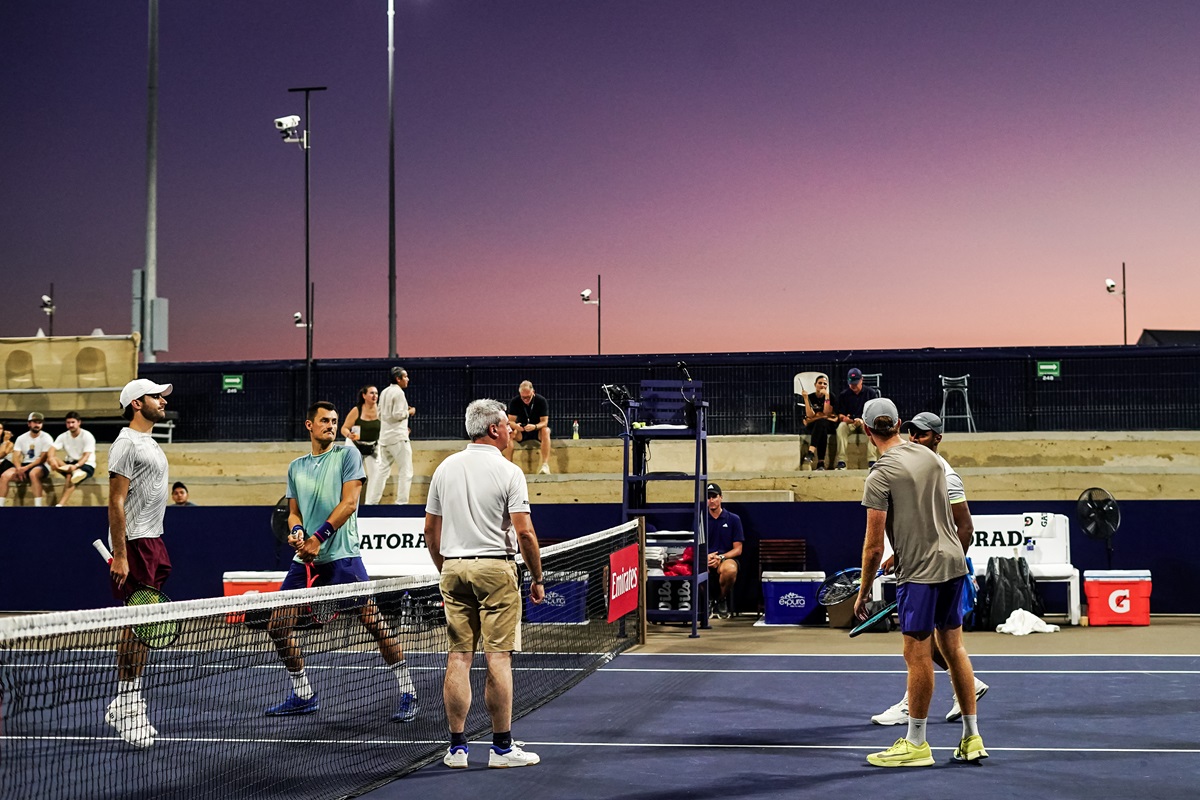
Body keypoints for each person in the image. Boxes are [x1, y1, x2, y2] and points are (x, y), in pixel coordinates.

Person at [264, 400, 418, 723]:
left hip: (343, 557)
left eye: (334, 421)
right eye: (324, 421)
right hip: (305, 560)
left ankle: (408, 691)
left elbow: (349, 504)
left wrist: (317, 538)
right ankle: (303, 693)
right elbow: (293, 512)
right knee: (277, 626)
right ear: (310, 425)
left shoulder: (348, 456)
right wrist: (297, 532)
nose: (331, 426)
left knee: (374, 624)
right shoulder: (296, 467)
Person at [855, 398, 987, 767]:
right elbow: (937, 516)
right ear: (899, 424)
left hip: (920, 573)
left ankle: (916, 743)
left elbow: (873, 546)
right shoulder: (932, 459)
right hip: (953, 563)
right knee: (954, 649)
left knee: (916, 655)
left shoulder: (879, 475)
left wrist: (863, 592)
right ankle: (972, 737)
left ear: (866, 430)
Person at [425, 399, 545, 769]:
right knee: (498, 657)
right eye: (507, 425)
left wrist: (446, 568)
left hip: (454, 569)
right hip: (495, 570)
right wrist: (538, 577)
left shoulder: (444, 468)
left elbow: (430, 530)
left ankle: (457, 749)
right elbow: (525, 533)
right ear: (493, 429)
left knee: (459, 657)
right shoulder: (509, 472)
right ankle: (502, 749)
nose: (512, 430)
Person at [104, 379, 175, 748]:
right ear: (136, 403)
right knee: (137, 624)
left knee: (144, 624)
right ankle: (128, 704)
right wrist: (121, 554)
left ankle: (126, 702)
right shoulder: (126, 443)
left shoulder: (150, 441)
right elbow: (115, 501)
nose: (162, 401)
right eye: (155, 396)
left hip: (153, 540)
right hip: (134, 543)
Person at [370, 367, 415, 505]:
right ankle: (401, 503)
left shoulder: (384, 392)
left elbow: (379, 415)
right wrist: (409, 412)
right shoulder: (399, 393)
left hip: (384, 438)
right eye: (405, 377)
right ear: (398, 379)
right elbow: (397, 414)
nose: (407, 379)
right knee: (406, 471)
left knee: (382, 471)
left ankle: (372, 502)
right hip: (398, 438)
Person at [705, 483, 744, 619]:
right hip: (707, 558)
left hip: (725, 558)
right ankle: (708, 600)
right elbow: (696, 545)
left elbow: (738, 549)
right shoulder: (700, 519)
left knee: (730, 570)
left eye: (714, 497)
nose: (711, 500)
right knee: (696, 568)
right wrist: (706, 556)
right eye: (708, 497)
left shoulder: (733, 519)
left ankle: (721, 599)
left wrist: (721, 557)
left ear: (721, 497)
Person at [0, 412, 53, 507]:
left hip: (41, 465)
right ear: (29, 423)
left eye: (39, 422)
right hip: (25, 464)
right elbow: (16, 456)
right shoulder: (21, 438)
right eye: (35, 422)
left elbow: (42, 458)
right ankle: (1, 505)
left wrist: (25, 468)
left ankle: (38, 506)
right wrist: (19, 468)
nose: (37, 425)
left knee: (33, 473)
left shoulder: (47, 437)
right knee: (4, 475)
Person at [341, 384, 381, 502]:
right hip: (355, 444)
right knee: (354, 475)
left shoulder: (381, 410)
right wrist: (349, 434)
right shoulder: (356, 410)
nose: (375, 396)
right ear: (364, 396)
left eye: (376, 393)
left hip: (372, 446)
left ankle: (371, 504)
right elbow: (344, 428)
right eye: (371, 393)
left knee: (376, 474)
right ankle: (351, 502)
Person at [835, 367, 880, 470]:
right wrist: (845, 419)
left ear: (861, 380)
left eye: (856, 383)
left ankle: (872, 461)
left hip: (865, 422)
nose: (853, 385)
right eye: (851, 383)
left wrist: (863, 420)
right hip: (850, 423)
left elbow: (875, 413)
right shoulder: (844, 395)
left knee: (873, 428)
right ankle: (841, 461)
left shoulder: (871, 393)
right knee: (841, 427)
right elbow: (840, 414)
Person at [49, 411, 97, 507]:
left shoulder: (87, 435)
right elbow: (52, 449)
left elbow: (86, 456)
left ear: (79, 422)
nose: (70, 425)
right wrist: (51, 459)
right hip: (70, 464)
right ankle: (75, 472)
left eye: (73, 422)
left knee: (69, 477)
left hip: (86, 464)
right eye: (68, 422)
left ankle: (60, 505)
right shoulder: (63, 436)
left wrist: (76, 466)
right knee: (52, 458)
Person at [504, 380, 552, 475]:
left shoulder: (541, 401)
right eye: (523, 397)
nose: (525, 400)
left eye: (528, 397)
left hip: (536, 430)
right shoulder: (515, 402)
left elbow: (544, 422)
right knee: (509, 432)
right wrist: (516, 426)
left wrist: (535, 426)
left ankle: (545, 465)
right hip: (522, 431)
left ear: (533, 392)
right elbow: (510, 422)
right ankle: (508, 466)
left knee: (546, 431)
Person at [800, 376, 837, 470]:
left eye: (825, 384)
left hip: (827, 424)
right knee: (821, 425)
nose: (822, 385)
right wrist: (806, 399)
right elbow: (809, 415)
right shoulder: (811, 397)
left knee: (822, 424)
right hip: (815, 425)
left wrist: (827, 396)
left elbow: (826, 412)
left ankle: (811, 452)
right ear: (815, 385)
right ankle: (821, 463)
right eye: (820, 383)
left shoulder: (831, 396)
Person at [0, 422, 15, 504]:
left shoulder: (9, 443)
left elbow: (1, 454)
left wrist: (5, 441)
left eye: (0, 428)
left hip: (6, 466)